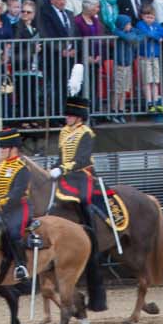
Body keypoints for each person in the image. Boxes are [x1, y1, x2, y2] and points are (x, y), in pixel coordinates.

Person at [51, 93, 109, 310]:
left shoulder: (86, 133)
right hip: (64, 174)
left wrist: (63, 168)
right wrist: (55, 167)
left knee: (82, 198)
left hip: (82, 174)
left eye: (70, 115)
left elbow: (82, 159)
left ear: (79, 117)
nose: (67, 118)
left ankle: (90, 228)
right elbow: (61, 155)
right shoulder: (63, 132)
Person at [0, 124, 34, 281]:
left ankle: (21, 265)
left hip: (19, 208)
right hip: (1, 207)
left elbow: (16, 194)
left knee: (13, 232)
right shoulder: (0, 167)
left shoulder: (22, 168)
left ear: (13, 149)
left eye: (3, 149)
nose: (1, 152)